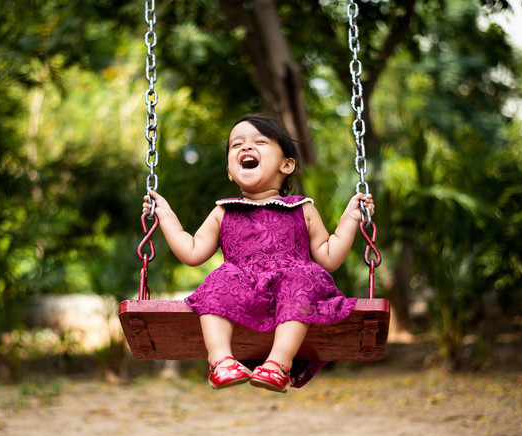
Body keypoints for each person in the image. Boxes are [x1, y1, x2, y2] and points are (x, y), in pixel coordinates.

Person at [143, 114, 374, 393]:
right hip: (242, 288)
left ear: (286, 165)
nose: (246, 147)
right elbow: (192, 252)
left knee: (303, 279)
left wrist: (350, 218)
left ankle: (278, 364)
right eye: (236, 144)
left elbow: (329, 257)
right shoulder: (223, 211)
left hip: (291, 290)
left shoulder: (302, 208)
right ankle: (221, 362)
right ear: (230, 171)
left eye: (260, 142)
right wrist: (166, 215)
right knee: (217, 281)